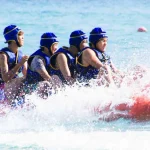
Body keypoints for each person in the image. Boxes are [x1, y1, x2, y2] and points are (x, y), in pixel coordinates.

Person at [21, 32, 60, 99]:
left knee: (56, 78)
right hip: (30, 88)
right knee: (46, 84)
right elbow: (46, 77)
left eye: (57, 45)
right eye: (54, 45)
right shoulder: (38, 59)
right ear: (47, 47)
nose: (56, 48)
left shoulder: (52, 57)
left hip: (41, 88)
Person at [0, 25, 28, 104]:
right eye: (19, 35)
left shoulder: (21, 55)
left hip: (12, 87)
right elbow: (5, 79)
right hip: (2, 89)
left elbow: (26, 74)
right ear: (13, 37)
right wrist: (20, 64)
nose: (22, 37)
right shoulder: (3, 55)